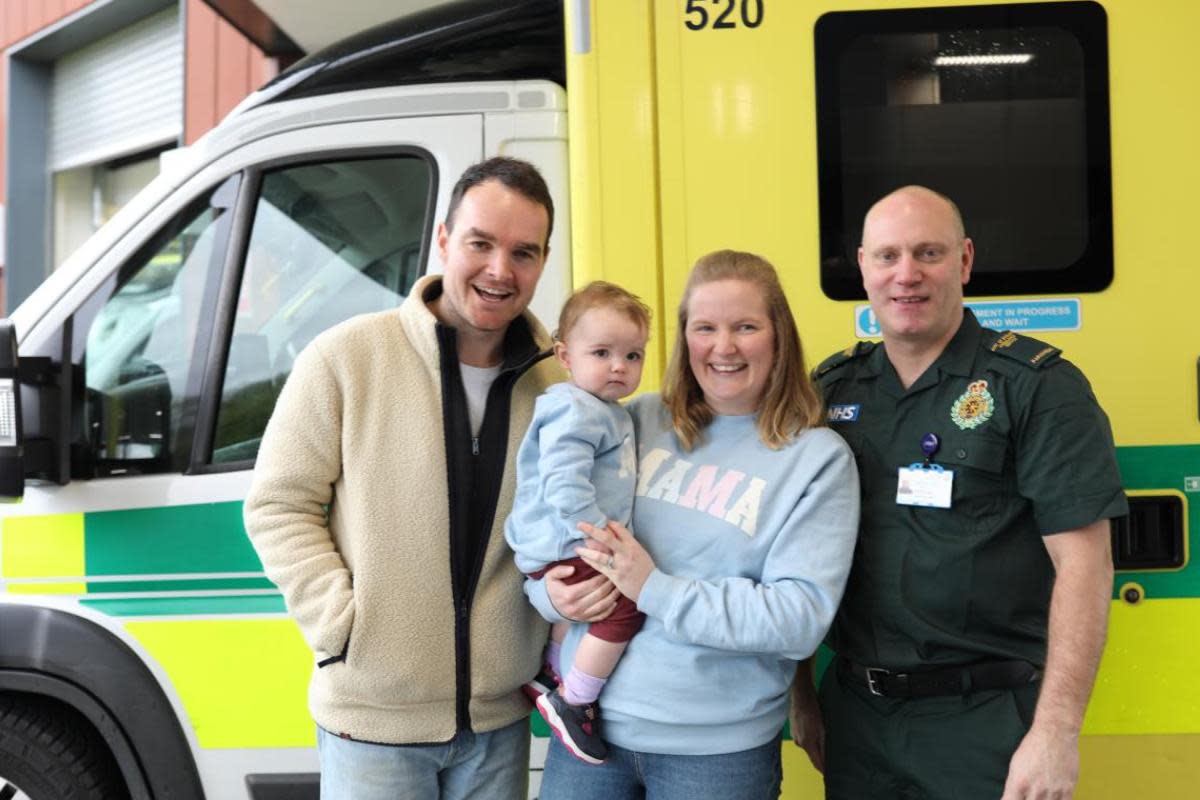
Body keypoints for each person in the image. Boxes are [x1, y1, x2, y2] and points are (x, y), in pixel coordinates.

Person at [244, 156, 567, 800]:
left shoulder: (557, 385)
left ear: (542, 261)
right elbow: (279, 505)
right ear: (445, 240)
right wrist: (343, 627)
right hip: (373, 725)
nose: (501, 270)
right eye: (481, 243)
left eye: (523, 253)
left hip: (499, 724)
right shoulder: (346, 357)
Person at [790, 186, 1125, 800]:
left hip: (988, 724)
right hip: (858, 722)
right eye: (888, 256)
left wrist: (1055, 733)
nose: (906, 275)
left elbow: (1085, 564)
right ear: (862, 266)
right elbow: (789, 552)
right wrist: (802, 694)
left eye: (929, 253)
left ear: (965, 261)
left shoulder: (1038, 387)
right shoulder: (830, 389)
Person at [527, 249, 860, 799]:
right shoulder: (635, 418)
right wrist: (550, 597)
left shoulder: (817, 459)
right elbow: (553, 524)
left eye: (745, 327)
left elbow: (799, 620)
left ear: (779, 336)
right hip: (590, 737)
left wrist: (654, 589)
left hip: (716, 755)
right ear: (685, 339)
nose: (723, 347)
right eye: (705, 327)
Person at [505, 281, 652, 765]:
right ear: (565, 355)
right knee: (626, 609)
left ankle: (551, 673)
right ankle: (575, 701)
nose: (619, 366)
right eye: (602, 352)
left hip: (565, 544)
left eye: (633, 356)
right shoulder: (575, 409)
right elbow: (564, 485)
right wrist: (602, 541)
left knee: (586, 613)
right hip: (572, 542)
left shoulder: (603, 410)